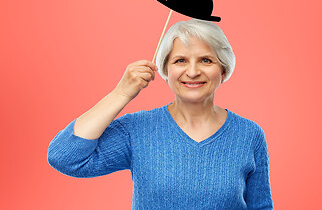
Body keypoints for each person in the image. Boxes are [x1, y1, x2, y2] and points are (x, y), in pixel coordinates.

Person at [47, 19, 274, 209]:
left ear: (223, 70)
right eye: (180, 60)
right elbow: (65, 158)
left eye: (206, 60)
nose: (193, 71)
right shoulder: (137, 130)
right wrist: (121, 94)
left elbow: (260, 206)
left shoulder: (249, 134)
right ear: (165, 69)